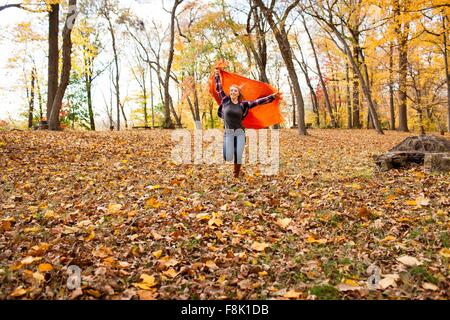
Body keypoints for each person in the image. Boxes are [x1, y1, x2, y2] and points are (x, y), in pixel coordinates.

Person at [214, 69, 278, 179]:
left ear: (238, 94)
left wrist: (272, 97)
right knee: (227, 156)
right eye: (232, 91)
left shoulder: (243, 104)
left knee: (238, 153)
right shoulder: (225, 101)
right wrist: (217, 76)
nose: (233, 92)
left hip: (240, 133)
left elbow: (258, 102)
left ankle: (236, 174)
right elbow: (219, 88)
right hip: (228, 133)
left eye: (235, 91)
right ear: (230, 93)